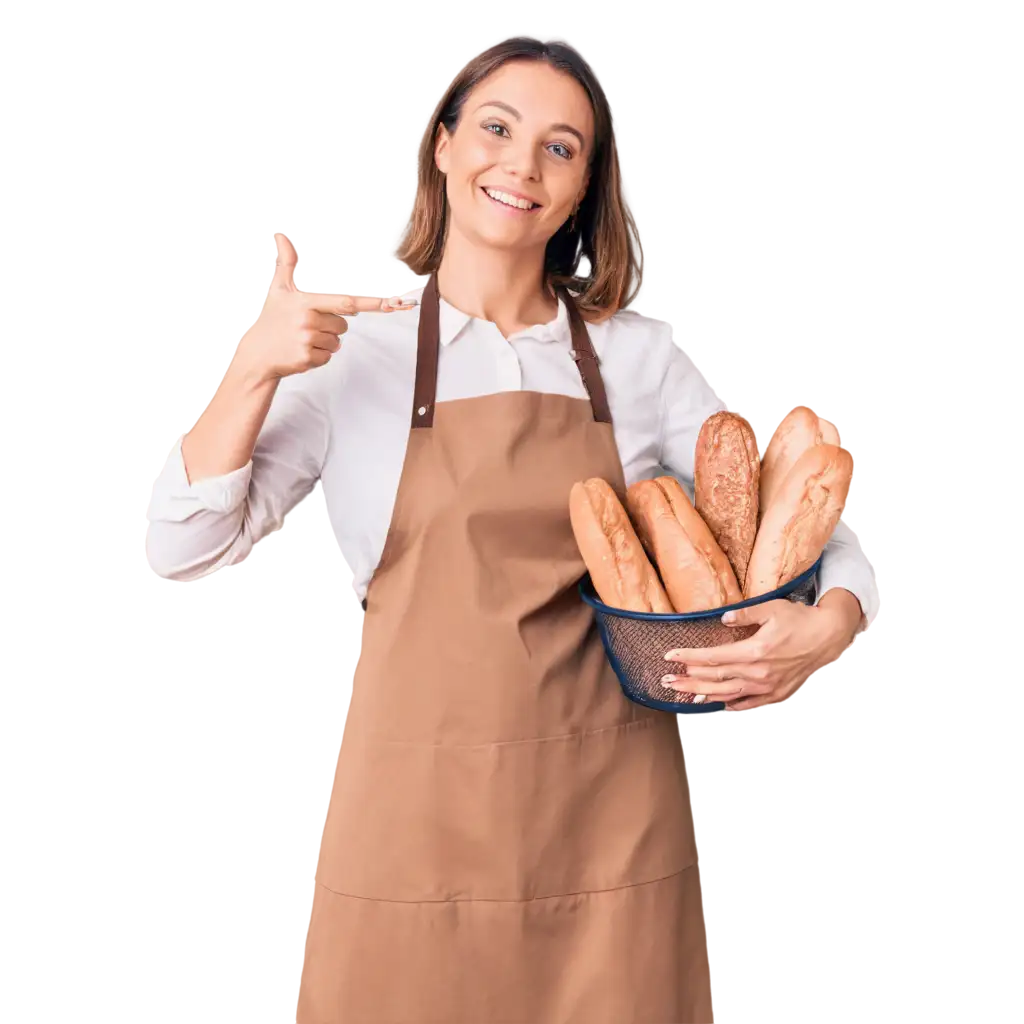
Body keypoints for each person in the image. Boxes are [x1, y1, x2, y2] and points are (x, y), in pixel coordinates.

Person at [143, 34, 878, 1024]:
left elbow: (786, 511)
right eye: (496, 127)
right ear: (443, 147)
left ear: (581, 189)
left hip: (605, 821)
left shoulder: (637, 358)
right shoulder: (349, 347)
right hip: (410, 824)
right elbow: (179, 546)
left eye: (560, 146)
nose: (521, 165)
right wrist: (249, 371)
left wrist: (831, 619)